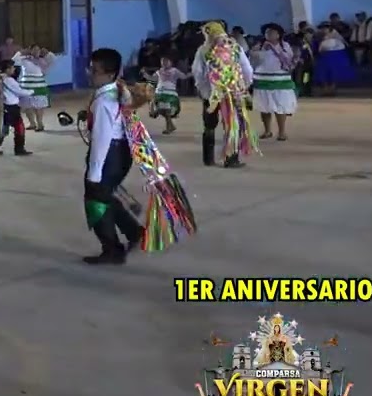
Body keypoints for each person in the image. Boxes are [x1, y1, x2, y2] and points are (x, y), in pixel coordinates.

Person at [81, 48, 196, 264]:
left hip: (110, 155)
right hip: (121, 153)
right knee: (105, 195)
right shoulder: (117, 90)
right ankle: (135, 233)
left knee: (95, 199)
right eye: (90, 68)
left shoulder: (105, 101)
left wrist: (94, 174)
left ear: (110, 74)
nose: (90, 73)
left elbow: (101, 140)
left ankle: (113, 249)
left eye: (94, 70)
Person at [191, 21, 256, 168]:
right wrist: (245, 85)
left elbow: (198, 72)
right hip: (233, 93)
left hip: (212, 94)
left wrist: (203, 90)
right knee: (232, 125)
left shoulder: (203, 50)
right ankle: (231, 159)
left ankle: (208, 159)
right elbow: (247, 69)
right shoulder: (235, 47)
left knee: (209, 125)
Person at [250, 23, 298, 141]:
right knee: (264, 107)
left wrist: (275, 50)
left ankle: (282, 132)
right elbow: (252, 58)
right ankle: (267, 131)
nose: (269, 34)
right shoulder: (260, 45)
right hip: (263, 79)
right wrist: (260, 52)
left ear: (278, 35)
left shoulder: (285, 46)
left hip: (280, 79)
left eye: (271, 32)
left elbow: (289, 59)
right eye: (267, 32)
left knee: (280, 106)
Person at [0, 59, 32, 156]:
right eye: (12, 67)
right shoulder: (8, 80)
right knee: (19, 127)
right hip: (11, 107)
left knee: (3, 128)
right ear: (7, 69)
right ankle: (19, 149)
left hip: (4, 107)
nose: (13, 69)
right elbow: (19, 91)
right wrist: (32, 92)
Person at [15, 45, 53, 131]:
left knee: (39, 106)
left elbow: (53, 59)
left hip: (39, 86)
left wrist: (47, 52)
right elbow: (14, 60)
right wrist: (22, 52)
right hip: (26, 86)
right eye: (34, 50)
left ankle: (40, 124)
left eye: (38, 50)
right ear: (30, 50)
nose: (36, 51)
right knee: (27, 106)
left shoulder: (42, 61)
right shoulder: (25, 59)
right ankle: (32, 123)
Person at [144, 56, 186, 134]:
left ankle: (169, 126)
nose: (164, 63)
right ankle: (169, 126)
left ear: (171, 62)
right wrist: (145, 75)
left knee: (166, 111)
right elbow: (152, 79)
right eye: (163, 61)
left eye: (166, 61)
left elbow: (184, 76)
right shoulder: (159, 71)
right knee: (165, 111)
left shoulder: (174, 71)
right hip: (160, 94)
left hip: (170, 94)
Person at [314, 24, 353, 94]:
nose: (323, 30)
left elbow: (322, 49)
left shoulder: (334, 38)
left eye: (324, 29)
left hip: (330, 58)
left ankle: (331, 89)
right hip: (327, 58)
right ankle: (327, 89)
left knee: (331, 74)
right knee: (326, 74)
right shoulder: (321, 37)